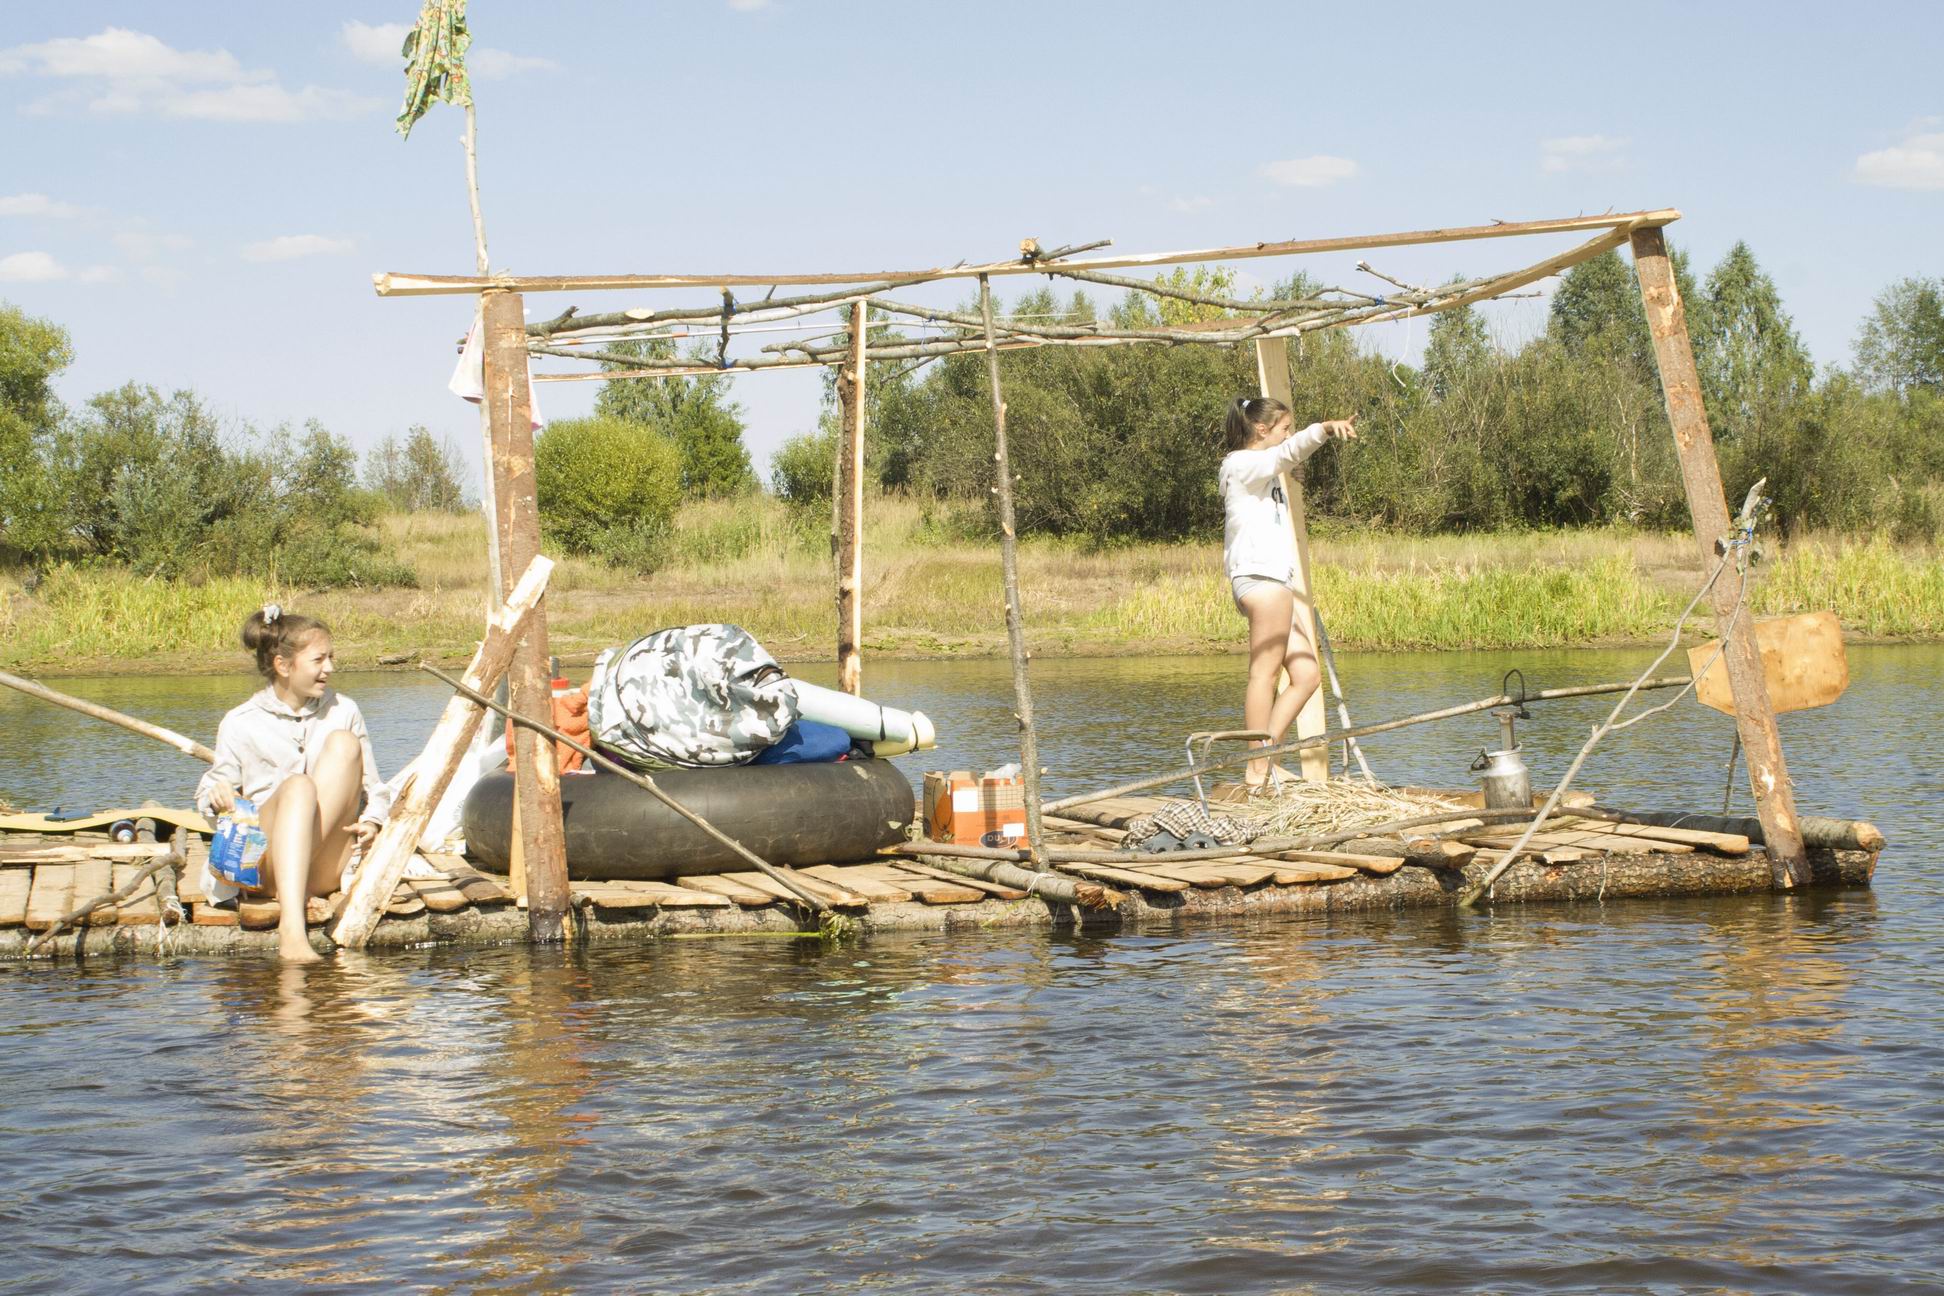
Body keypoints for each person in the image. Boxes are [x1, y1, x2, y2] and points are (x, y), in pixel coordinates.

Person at [196, 605, 390, 961]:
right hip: (263, 868)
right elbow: (210, 792)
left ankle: (297, 909)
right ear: (283, 666)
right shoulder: (241, 721)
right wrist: (219, 796)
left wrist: (372, 820)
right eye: (318, 660)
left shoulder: (344, 710)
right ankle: (292, 929)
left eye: (331, 657)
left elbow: (375, 788)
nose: (329, 668)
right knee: (299, 786)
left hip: (324, 865)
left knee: (344, 744)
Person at [1219, 396, 1358, 792]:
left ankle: (1265, 755)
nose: (1289, 435)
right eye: (1285, 429)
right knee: (1264, 673)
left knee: (1306, 674)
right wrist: (1324, 429)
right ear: (1262, 430)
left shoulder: (1262, 470)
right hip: (1260, 579)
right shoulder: (1241, 463)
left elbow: (1282, 463)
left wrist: (1291, 472)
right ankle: (1257, 768)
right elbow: (1284, 455)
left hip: (1274, 580)